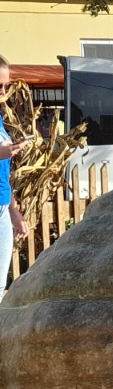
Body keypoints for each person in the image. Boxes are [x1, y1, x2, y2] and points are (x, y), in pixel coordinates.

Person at [0, 55, 31, 300]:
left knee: (0, 283)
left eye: (6, 86)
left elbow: (4, 173)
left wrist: (13, 211)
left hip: (2, 204)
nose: (3, 92)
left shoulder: (0, 118)